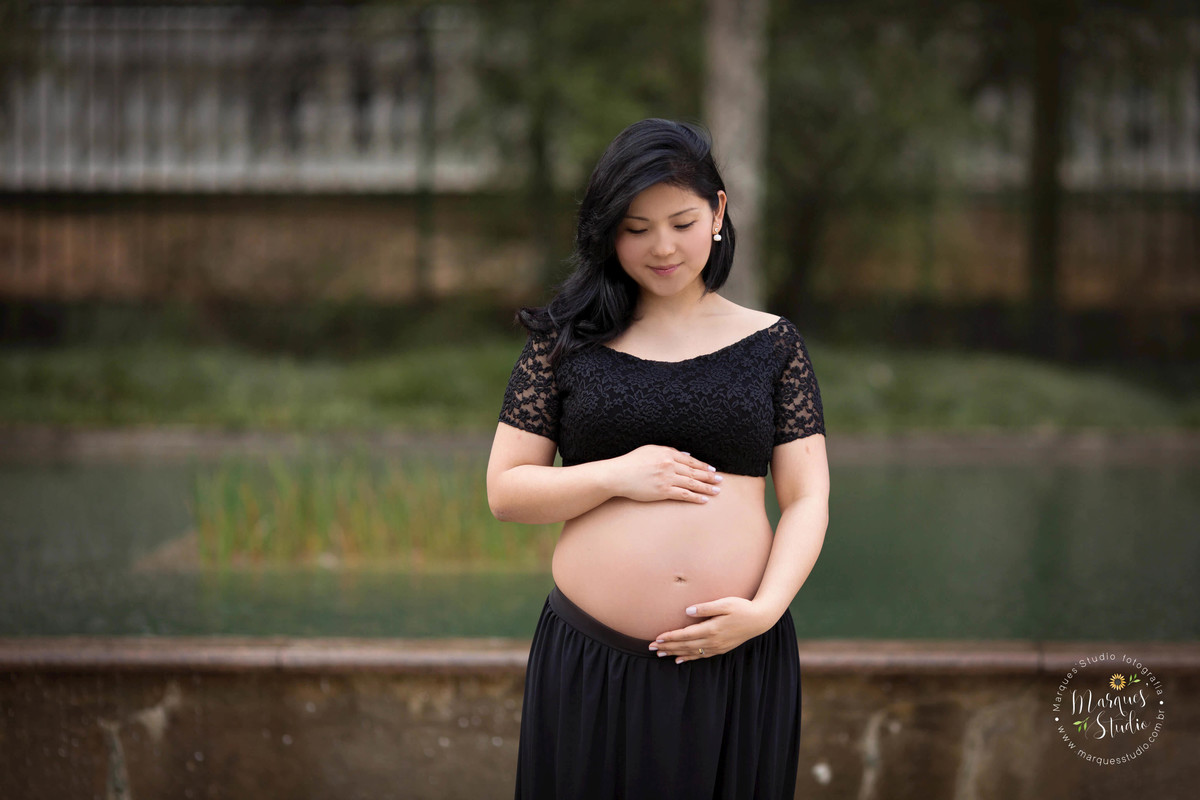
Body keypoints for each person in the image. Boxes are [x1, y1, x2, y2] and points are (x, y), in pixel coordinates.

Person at [486, 118, 829, 800]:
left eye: (681, 221)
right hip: (593, 658)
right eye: (636, 227)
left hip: (739, 656)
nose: (663, 247)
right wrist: (618, 474)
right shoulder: (565, 342)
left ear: (719, 213)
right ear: (608, 230)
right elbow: (506, 490)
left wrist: (764, 611)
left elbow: (807, 498)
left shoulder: (773, 343)